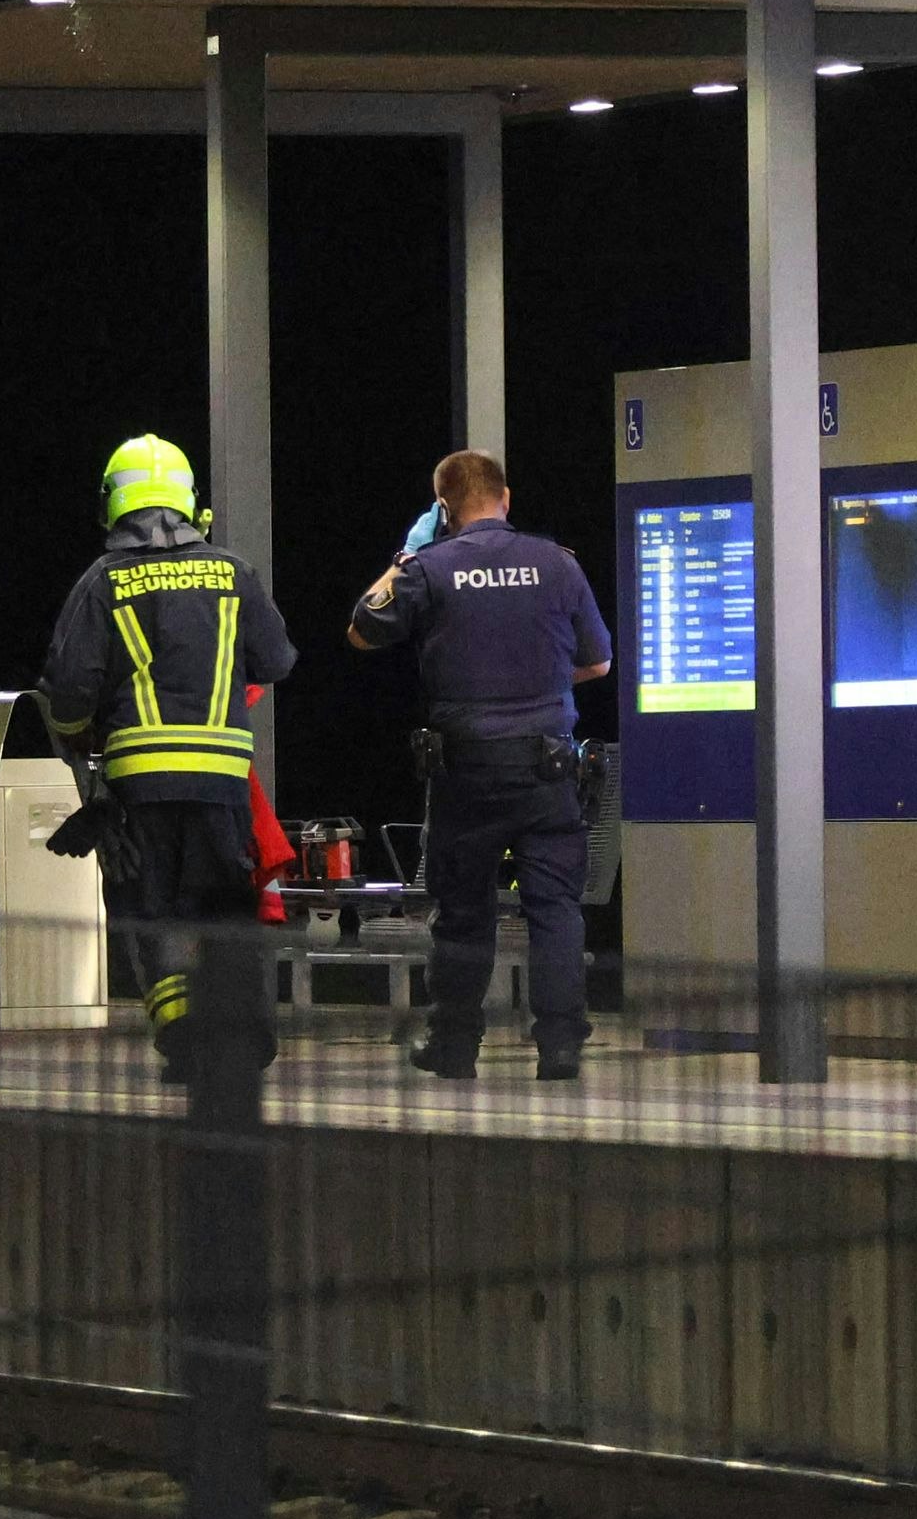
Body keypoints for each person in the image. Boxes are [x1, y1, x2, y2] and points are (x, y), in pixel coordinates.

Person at [37, 435, 298, 1080]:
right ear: (188, 503)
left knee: (150, 912)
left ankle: (182, 1039)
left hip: (138, 788)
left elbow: (67, 692)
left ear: (113, 506)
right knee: (221, 908)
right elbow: (277, 661)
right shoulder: (233, 572)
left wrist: (77, 735)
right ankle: (243, 1024)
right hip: (220, 784)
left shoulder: (102, 581)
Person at [347, 448, 611, 1079]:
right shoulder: (558, 563)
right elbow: (598, 662)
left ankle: (456, 1045)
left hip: (464, 773)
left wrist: (402, 559)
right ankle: (561, 1046)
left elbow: (362, 628)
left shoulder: (429, 568)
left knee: (464, 914)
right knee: (555, 909)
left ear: (443, 509)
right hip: (547, 770)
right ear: (506, 498)